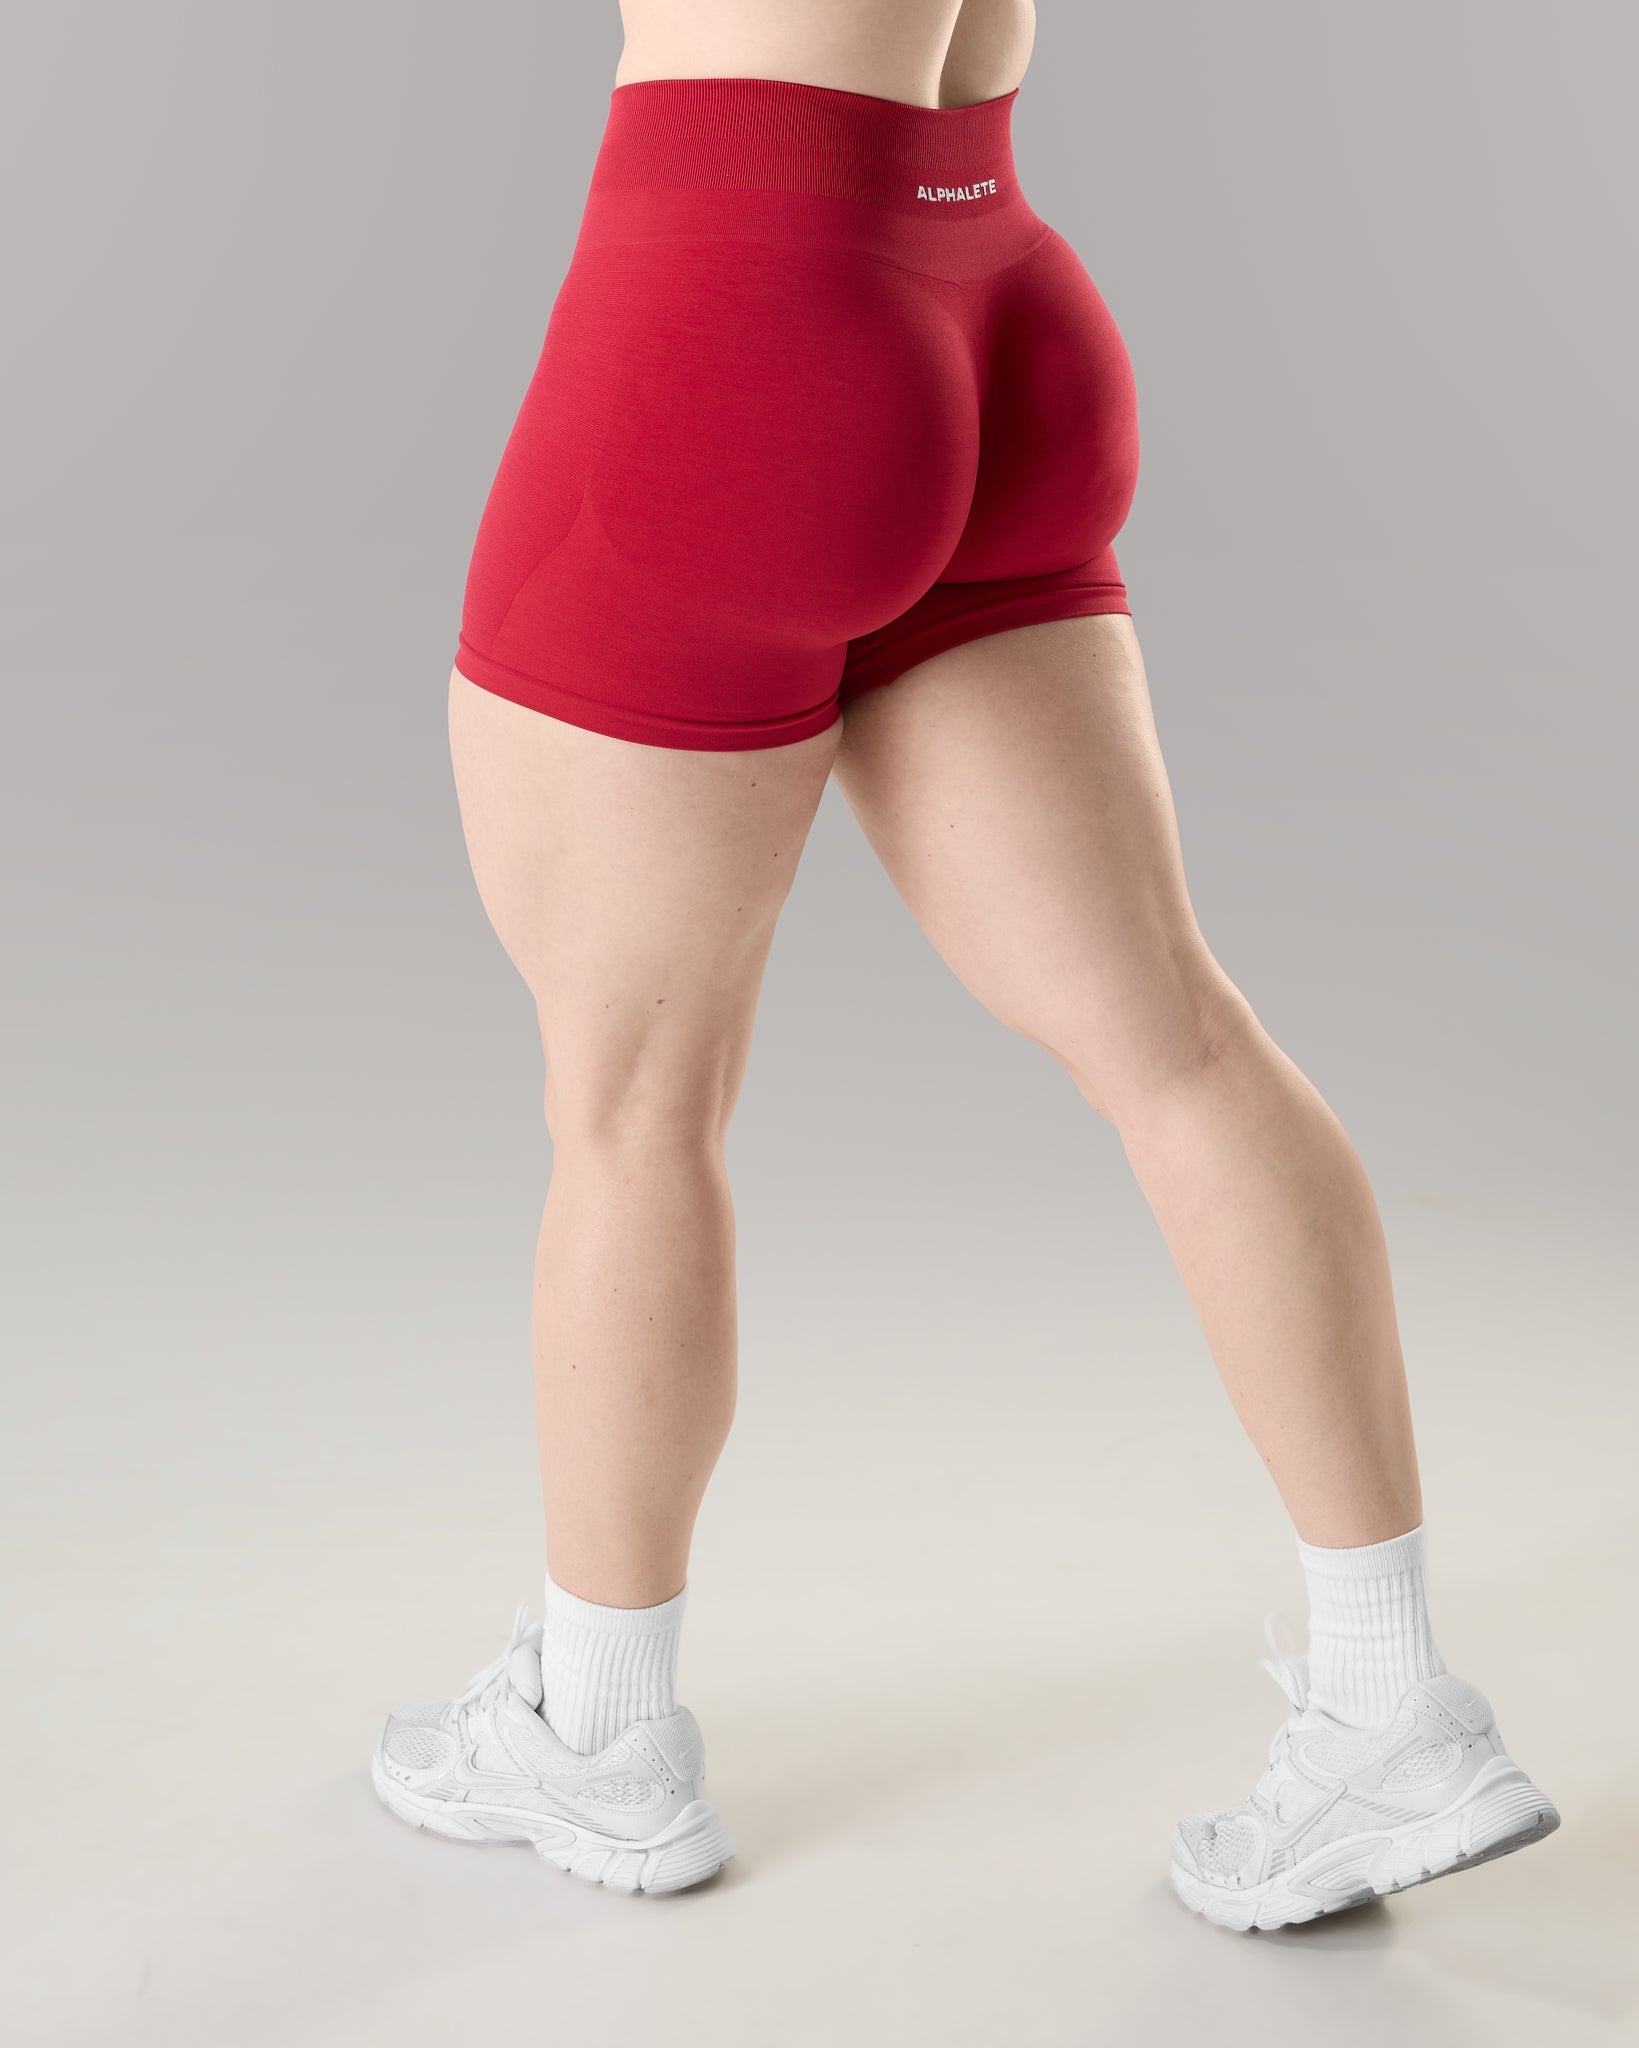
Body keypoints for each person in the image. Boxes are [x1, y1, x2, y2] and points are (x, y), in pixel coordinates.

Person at [371, 0, 1557, 1918]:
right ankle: (1393, 1701)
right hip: (990, 290)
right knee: (1177, 1042)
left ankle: (596, 1734)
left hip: (735, 319)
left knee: (633, 1108)